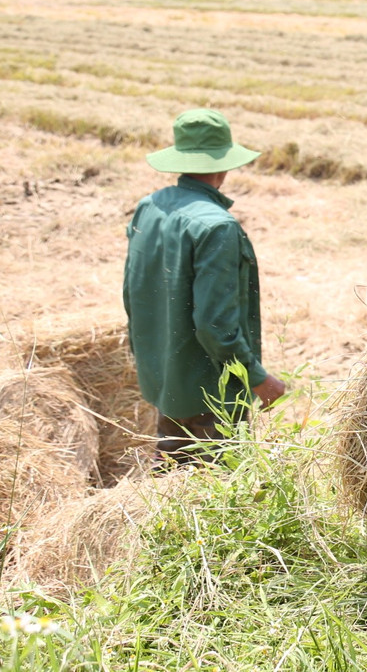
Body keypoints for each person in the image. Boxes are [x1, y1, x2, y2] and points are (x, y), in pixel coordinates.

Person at [123, 108, 286, 465]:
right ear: (224, 164)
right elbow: (216, 324)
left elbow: (132, 290)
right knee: (217, 483)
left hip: (165, 374)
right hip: (209, 390)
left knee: (170, 469)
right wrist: (258, 378)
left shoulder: (149, 207)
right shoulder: (217, 227)